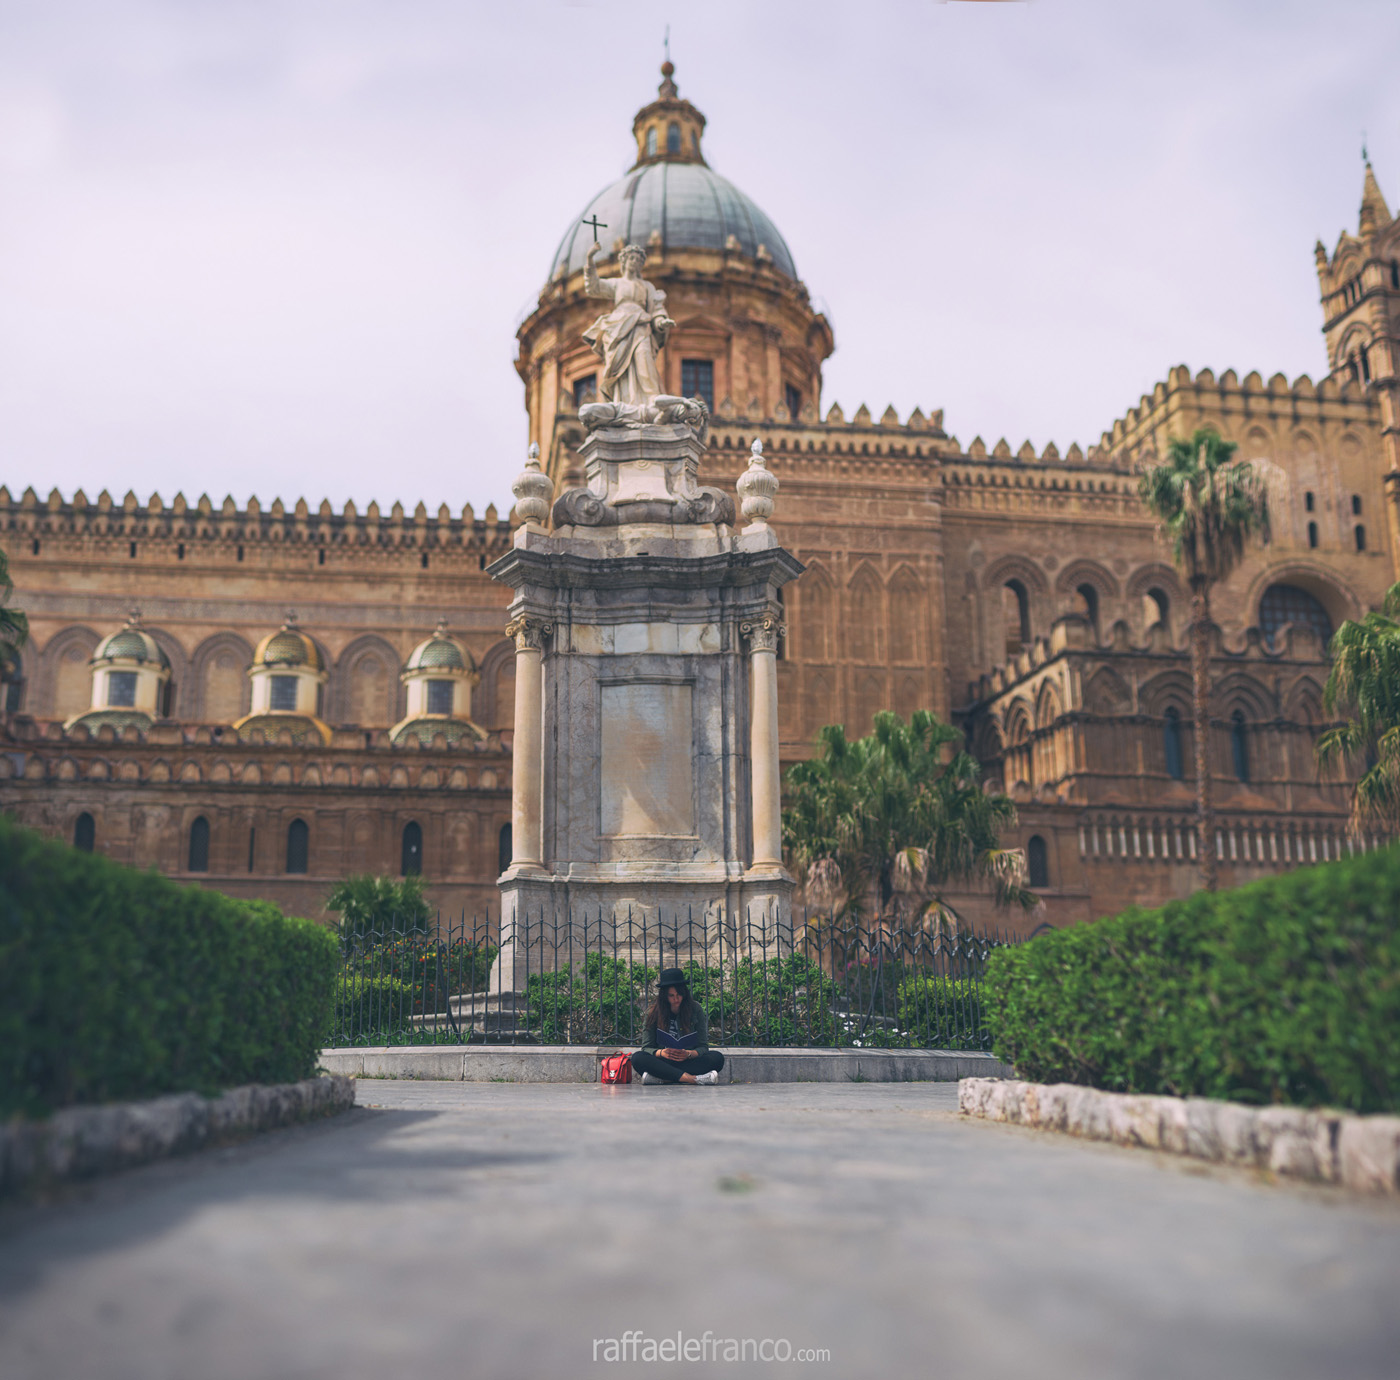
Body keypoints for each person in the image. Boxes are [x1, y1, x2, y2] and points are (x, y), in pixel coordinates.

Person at [632, 968, 724, 1085]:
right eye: (671, 995)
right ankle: (693, 1079)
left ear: (684, 993)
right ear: (664, 996)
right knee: (637, 1058)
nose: (676, 999)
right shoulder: (653, 1012)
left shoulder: (695, 1009)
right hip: (663, 1062)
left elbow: (703, 1047)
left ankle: (664, 1079)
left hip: (687, 1061)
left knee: (717, 1058)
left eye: (679, 994)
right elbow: (646, 1048)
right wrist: (662, 1053)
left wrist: (689, 1054)